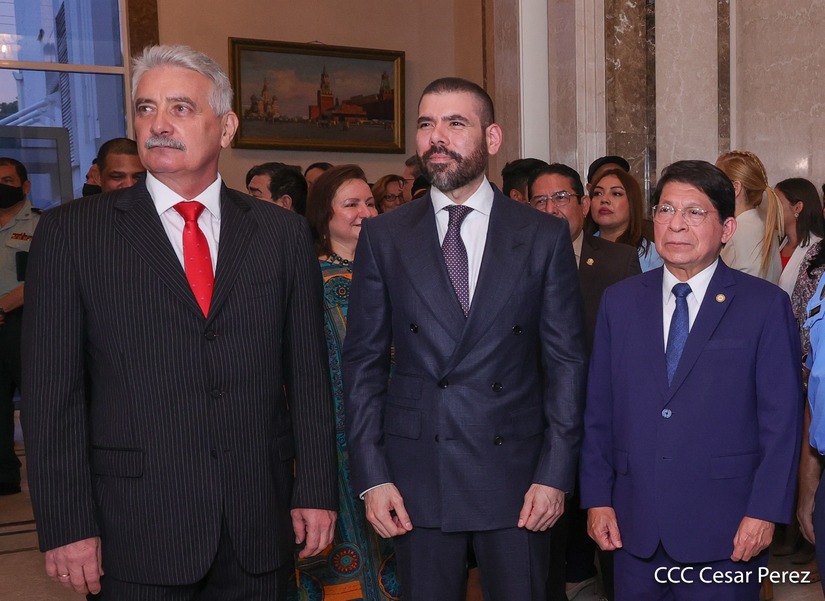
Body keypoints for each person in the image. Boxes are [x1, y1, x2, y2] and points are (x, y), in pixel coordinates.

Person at [21, 44, 337, 600]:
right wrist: (68, 524)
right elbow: (52, 395)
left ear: (227, 127)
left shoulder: (280, 235)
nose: (159, 124)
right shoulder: (73, 234)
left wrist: (315, 489)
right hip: (134, 529)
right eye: (146, 108)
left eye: (181, 108)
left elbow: (308, 377)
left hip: (257, 523)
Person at [342, 77, 587, 601]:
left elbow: (566, 364)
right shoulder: (385, 235)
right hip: (416, 473)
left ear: (492, 138)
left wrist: (555, 473)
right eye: (426, 124)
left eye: (455, 123)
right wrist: (372, 476)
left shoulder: (542, 235)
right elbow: (362, 364)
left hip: (518, 473)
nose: (437, 137)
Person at [581, 159, 803, 600]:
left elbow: (781, 423)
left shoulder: (763, 306)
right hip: (633, 527)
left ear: (726, 229)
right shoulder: (620, 302)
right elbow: (599, 411)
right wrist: (597, 498)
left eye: (695, 212)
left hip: (727, 532)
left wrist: (764, 511)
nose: (676, 224)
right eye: (665, 210)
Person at [528, 163, 640, 601]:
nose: (551, 208)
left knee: (611, 537)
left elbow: (633, 350)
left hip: (603, 423)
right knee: (544, 547)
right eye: (540, 200)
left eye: (561, 198)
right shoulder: (511, 261)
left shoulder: (618, 261)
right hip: (537, 426)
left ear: (584, 204)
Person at [291, 164, 399, 600]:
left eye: (370, 202)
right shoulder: (309, 278)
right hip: (333, 443)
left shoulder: (395, 271)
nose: (365, 213)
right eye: (351, 204)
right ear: (324, 215)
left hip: (395, 435)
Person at [0, 157, 40, 496]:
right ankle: (4, 476)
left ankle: (45, 472)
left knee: (37, 404)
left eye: (7, 181)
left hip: (26, 323)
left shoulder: (43, 224)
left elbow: (41, 278)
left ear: (25, 186)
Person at [715, 150, 783, 283]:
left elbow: (719, 285)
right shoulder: (766, 226)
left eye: (716, 183)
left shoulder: (734, 232)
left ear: (735, 188)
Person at [587, 167, 663, 272]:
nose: (604, 199)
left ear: (632, 202)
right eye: (598, 193)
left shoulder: (652, 256)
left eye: (616, 193)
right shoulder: (581, 247)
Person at [775, 177, 825, 296]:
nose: (771, 210)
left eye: (777, 204)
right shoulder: (779, 243)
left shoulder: (817, 250)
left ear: (797, 208)